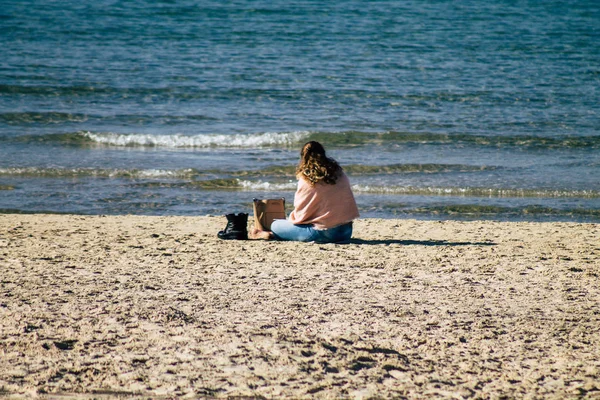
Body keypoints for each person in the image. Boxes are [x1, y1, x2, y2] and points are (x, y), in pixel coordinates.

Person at [250, 141, 359, 243]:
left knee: (275, 225)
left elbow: (301, 214)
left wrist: (290, 220)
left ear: (304, 157)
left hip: (324, 233)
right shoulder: (339, 173)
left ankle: (269, 234)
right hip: (345, 232)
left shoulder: (307, 178)